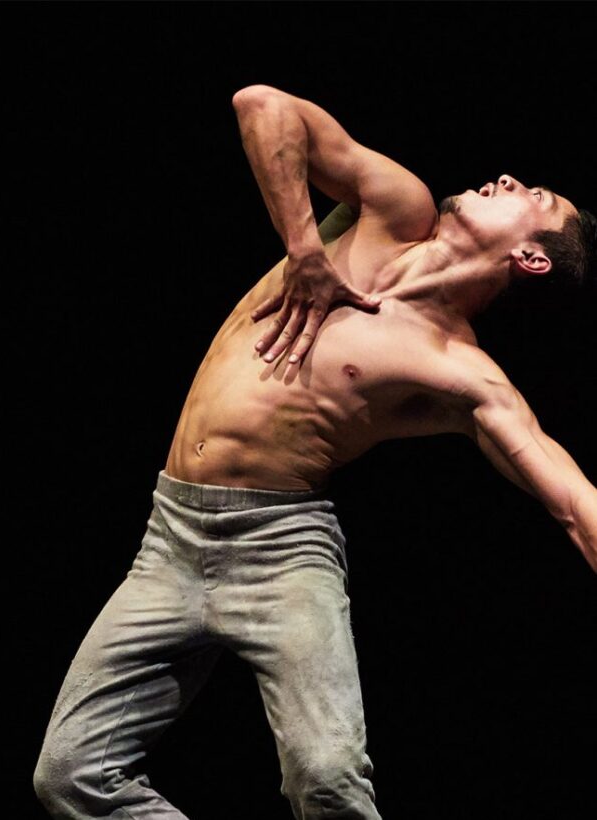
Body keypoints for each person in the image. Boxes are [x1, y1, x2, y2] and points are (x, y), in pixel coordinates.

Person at [33, 84, 597, 819]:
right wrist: (305, 249)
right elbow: (260, 105)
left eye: (537, 196)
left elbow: (570, 498)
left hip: (281, 551)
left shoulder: (459, 369)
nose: (512, 179)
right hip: (169, 540)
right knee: (72, 774)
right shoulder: (394, 209)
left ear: (530, 256)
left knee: (328, 781)